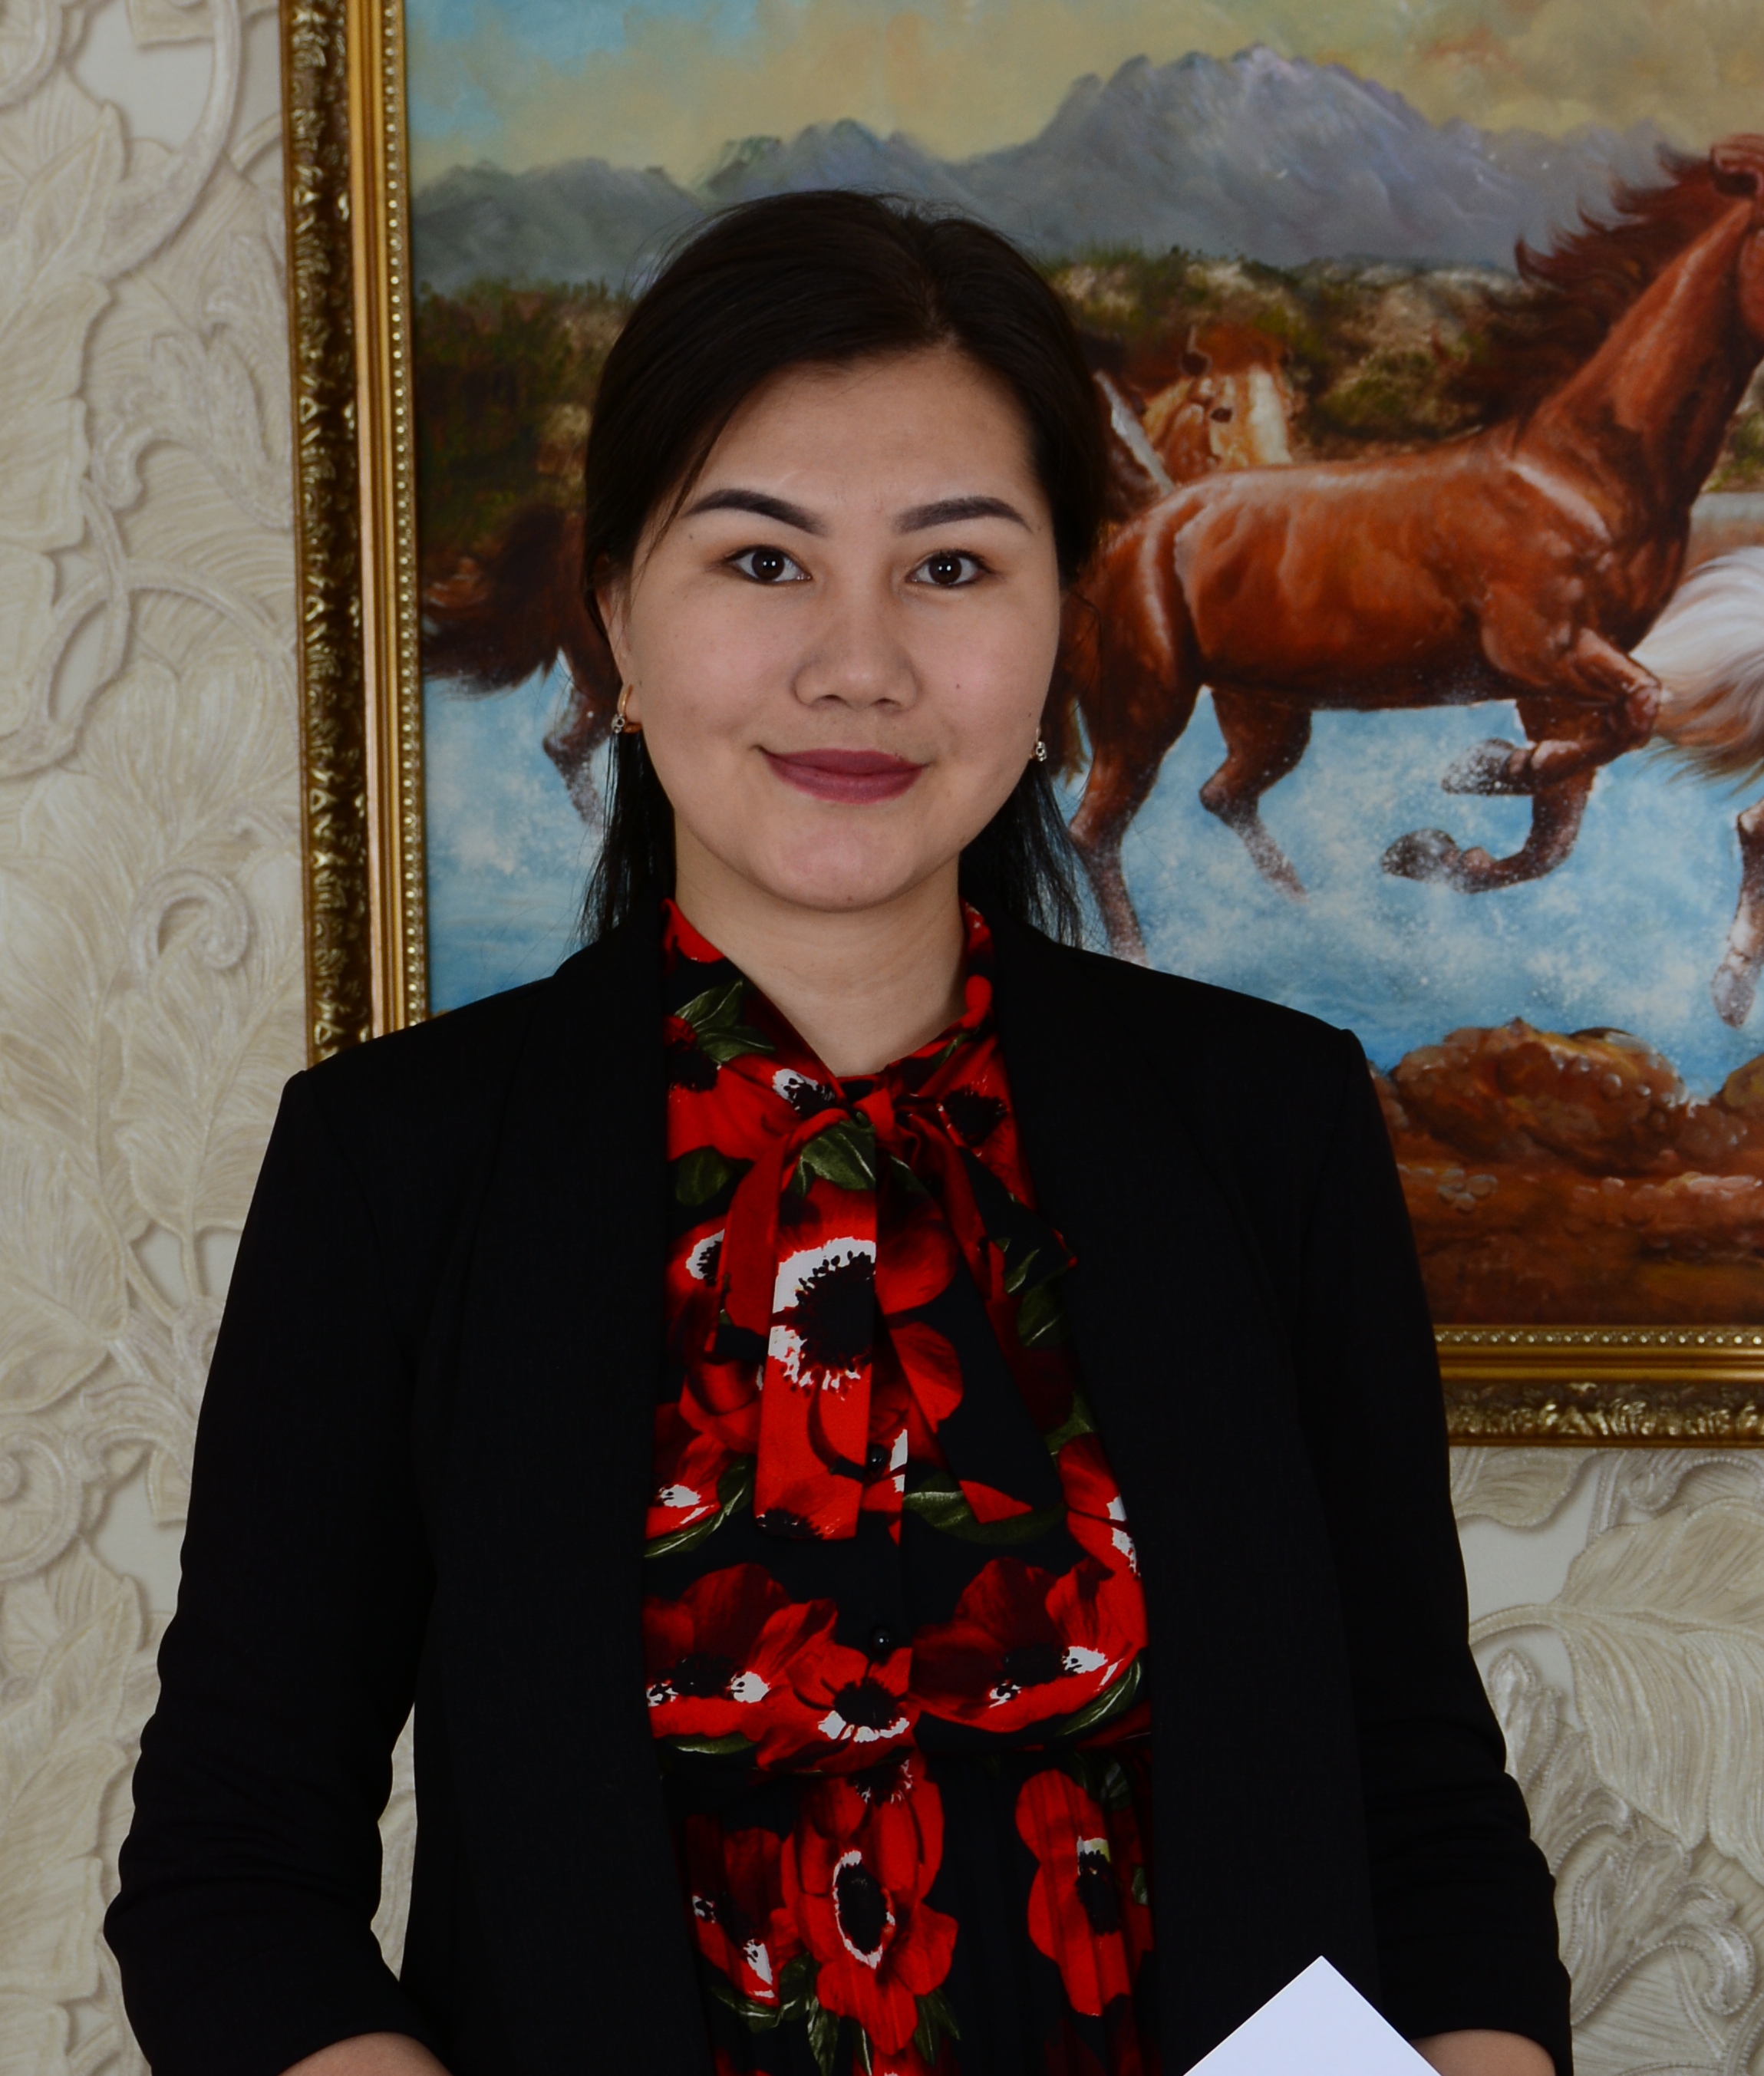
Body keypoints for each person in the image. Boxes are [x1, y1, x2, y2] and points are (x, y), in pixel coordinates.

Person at [106, 192, 1571, 2076]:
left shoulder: (1268, 1123)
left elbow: (1424, 1810)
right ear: (618, 617)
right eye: (762, 561)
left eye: (951, 566)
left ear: (1063, 620)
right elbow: (232, 1870)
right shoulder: (397, 1165)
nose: (858, 662)